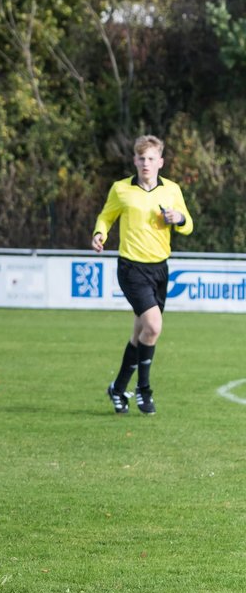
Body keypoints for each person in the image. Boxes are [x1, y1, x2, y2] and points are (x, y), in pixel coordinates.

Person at [92, 135, 194, 415]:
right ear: (135, 161)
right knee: (154, 327)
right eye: (141, 158)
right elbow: (106, 216)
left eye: (151, 158)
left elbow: (188, 224)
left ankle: (117, 388)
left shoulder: (171, 190)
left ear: (160, 162)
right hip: (131, 268)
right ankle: (143, 390)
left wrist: (179, 219)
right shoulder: (121, 189)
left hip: (160, 268)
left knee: (140, 334)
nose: (146, 163)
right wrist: (100, 233)